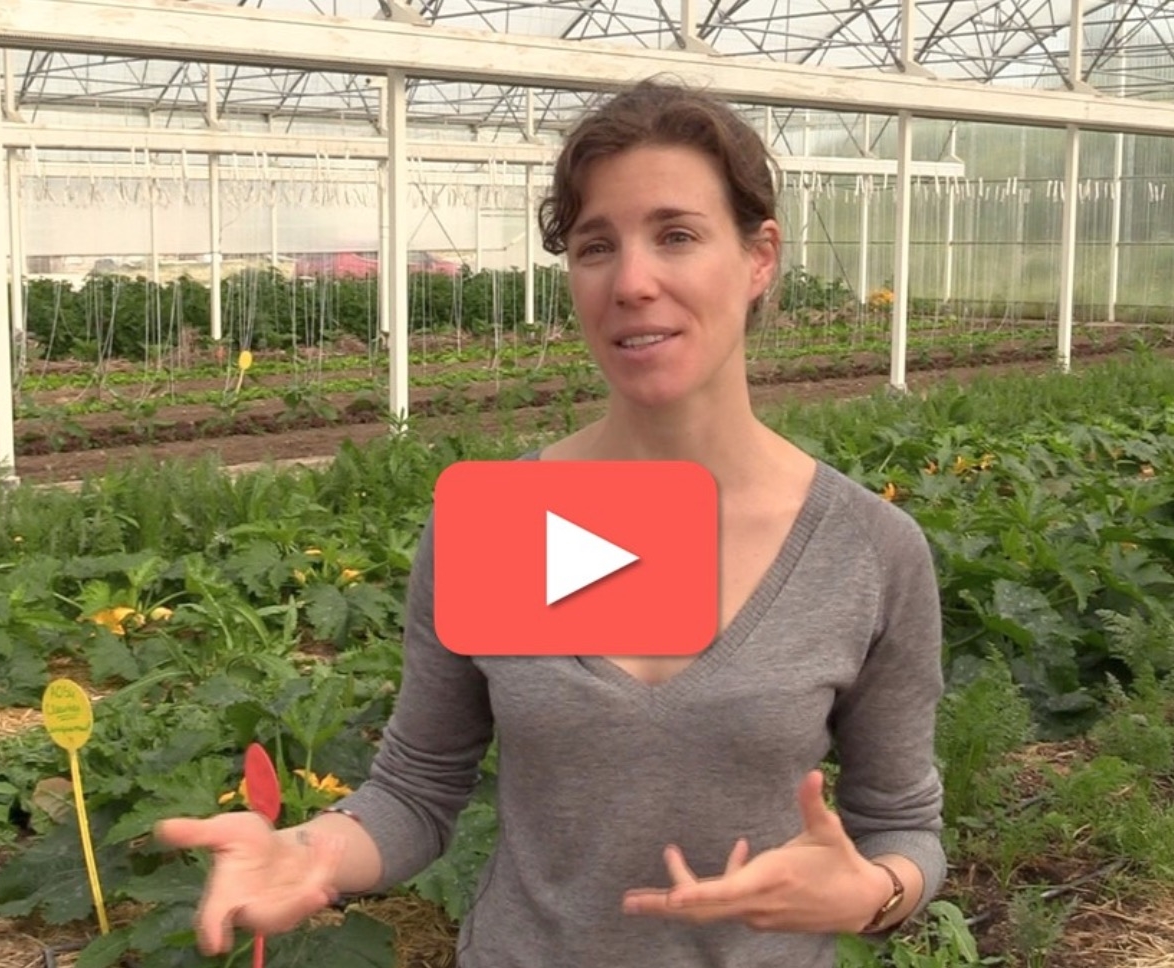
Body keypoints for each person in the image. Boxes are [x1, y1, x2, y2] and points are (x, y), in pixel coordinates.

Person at [156, 75, 948, 967]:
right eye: (594, 246)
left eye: (677, 236)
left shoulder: (865, 551)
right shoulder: (496, 526)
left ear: (760, 256)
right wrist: (311, 850)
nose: (633, 281)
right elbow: (417, 791)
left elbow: (904, 828)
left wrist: (873, 893)